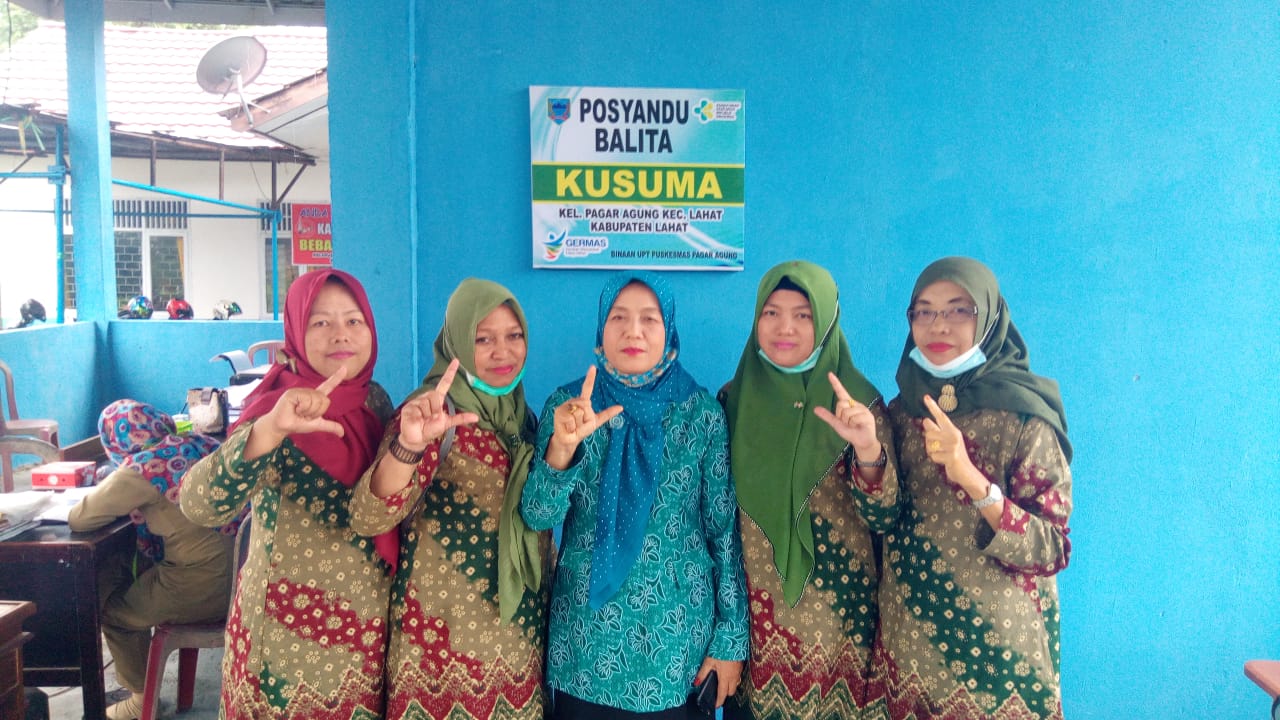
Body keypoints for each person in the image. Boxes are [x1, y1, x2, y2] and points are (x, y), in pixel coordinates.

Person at [521, 272, 749, 719]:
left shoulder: (700, 414)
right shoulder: (569, 407)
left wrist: (730, 640)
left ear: (669, 331)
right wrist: (562, 449)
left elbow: (723, 532)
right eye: (619, 318)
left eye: (649, 319)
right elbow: (537, 514)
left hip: (676, 645)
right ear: (601, 331)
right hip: (586, 644)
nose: (634, 331)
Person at [180, 269, 395, 720]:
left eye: (353, 320)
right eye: (321, 322)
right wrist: (270, 431)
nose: (341, 334)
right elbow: (200, 504)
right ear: (296, 331)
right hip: (284, 648)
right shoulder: (277, 407)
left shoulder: (374, 402)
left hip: (365, 638)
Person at [870, 257, 1072, 720]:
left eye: (959, 310)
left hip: (997, 663)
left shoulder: (1025, 416)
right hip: (909, 656)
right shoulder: (900, 412)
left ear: (989, 317)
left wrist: (971, 477)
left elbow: (1051, 547)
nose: (938, 325)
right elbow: (881, 518)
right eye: (924, 311)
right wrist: (867, 455)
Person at [350, 278, 553, 720]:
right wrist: (409, 445)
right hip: (439, 653)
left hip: (516, 648)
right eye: (483, 339)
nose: (503, 352)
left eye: (513, 335)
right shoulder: (431, 415)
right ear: (457, 341)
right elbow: (369, 516)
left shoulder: (523, 420)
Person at [719, 260, 899, 720]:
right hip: (754, 629)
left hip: (841, 630)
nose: (785, 328)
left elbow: (885, 517)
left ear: (826, 321)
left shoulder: (860, 405)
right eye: (772, 313)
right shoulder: (731, 401)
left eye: (803, 315)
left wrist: (867, 451)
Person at [69, 399, 234, 720]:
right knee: (126, 566)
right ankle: (144, 687)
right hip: (241, 582)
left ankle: (141, 699)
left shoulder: (142, 467)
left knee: (113, 612)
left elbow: (80, 518)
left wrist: (114, 477)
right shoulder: (202, 444)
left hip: (200, 589)